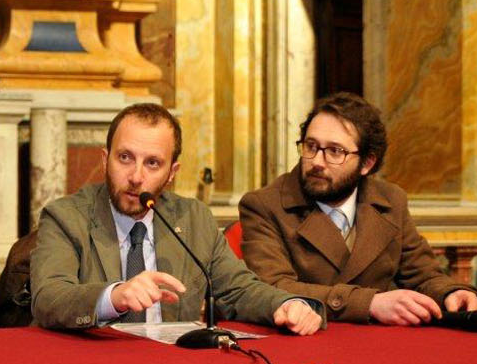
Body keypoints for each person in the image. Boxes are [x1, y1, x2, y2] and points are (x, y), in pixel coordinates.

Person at [29, 103, 323, 334]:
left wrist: (286, 304)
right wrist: (113, 296)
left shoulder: (194, 218)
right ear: (106, 160)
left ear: (172, 172)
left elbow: (238, 290)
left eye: (152, 163)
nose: (136, 177)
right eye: (125, 158)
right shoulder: (66, 217)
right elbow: (48, 299)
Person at [238, 92, 477, 324]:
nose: (317, 162)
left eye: (335, 151)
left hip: (376, 344)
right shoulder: (264, 205)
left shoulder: (391, 201)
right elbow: (273, 288)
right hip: (304, 340)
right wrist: (369, 304)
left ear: (367, 163)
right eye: (311, 146)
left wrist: (451, 292)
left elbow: (423, 274)